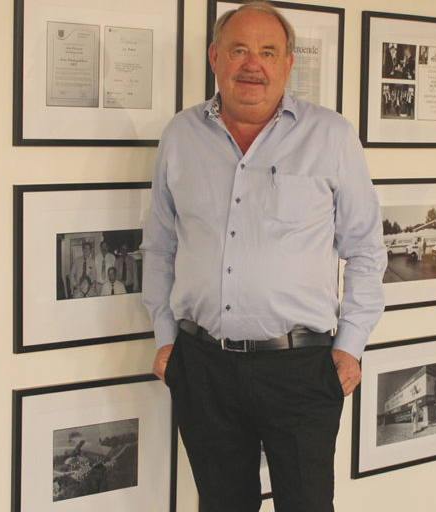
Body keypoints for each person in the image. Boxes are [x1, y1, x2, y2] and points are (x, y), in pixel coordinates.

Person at [140, 3, 386, 511]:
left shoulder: (331, 136)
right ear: (215, 58)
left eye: (268, 52)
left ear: (288, 63)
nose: (253, 64)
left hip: (300, 369)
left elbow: (365, 249)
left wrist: (350, 347)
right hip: (203, 366)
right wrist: (166, 339)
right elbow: (160, 245)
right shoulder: (180, 136)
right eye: (239, 50)